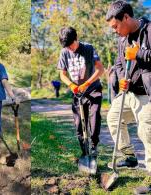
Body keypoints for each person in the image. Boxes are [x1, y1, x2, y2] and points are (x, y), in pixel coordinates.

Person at [105, 1, 151, 193]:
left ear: (126, 17)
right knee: (113, 118)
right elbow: (119, 64)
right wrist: (122, 81)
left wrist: (138, 54)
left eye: (116, 26)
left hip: (148, 95)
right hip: (130, 92)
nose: (115, 31)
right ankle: (130, 156)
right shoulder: (122, 39)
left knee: (146, 132)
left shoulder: (149, 30)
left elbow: (140, 56)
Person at [57, 27, 104, 160]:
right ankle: (84, 151)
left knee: (94, 118)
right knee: (79, 124)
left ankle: (94, 146)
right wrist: (71, 84)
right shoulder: (64, 52)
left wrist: (86, 84)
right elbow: (62, 74)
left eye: (71, 45)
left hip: (94, 89)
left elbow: (100, 69)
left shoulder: (89, 48)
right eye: (67, 47)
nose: (70, 49)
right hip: (77, 93)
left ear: (76, 39)